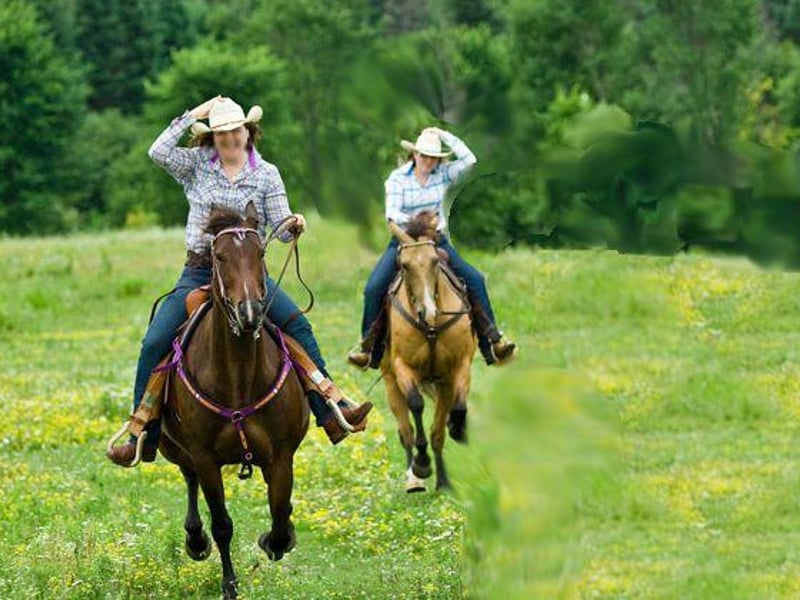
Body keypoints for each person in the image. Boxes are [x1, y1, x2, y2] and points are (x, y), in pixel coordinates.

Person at [107, 96, 372, 466]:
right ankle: (142, 434)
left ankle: (330, 410)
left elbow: (280, 229)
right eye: (221, 133)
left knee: (297, 325)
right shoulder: (196, 165)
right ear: (212, 137)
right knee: (155, 341)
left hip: (249, 273)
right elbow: (158, 152)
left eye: (236, 131)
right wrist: (195, 114)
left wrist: (293, 224)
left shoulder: (266, 174)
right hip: (201, 271)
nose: (230, 138)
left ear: (248, 132)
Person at [348, 126, 516, 369]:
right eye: (424, 156)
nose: (428, 161)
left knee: (475, 279)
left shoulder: (443, 174)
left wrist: (443, 134)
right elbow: (392, 215)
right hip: (403, 240)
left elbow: (470, 160)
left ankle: (493, 340)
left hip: (436, 240)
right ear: (415, 154)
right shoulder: (397, 179)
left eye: (433, 157)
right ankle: (368, 348)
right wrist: (418, 226)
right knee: (373, 288)